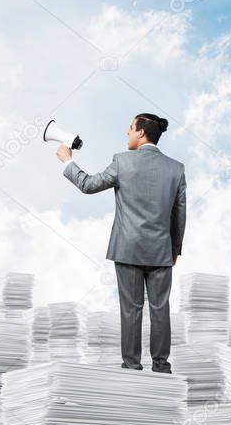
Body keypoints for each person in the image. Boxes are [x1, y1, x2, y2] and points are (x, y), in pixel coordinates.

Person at [57, 113, 186, 373]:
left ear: (140, 133)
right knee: (160, 310)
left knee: (131, 310)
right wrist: (175, 249)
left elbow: (89, 185)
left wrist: (68, 161)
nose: (126, 133)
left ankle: (131, 366)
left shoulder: (121, 162)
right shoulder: (176, 168)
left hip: (127, 249)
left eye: (129, 128)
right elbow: (179, 212)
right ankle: (162, 368)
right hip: (161, 251)